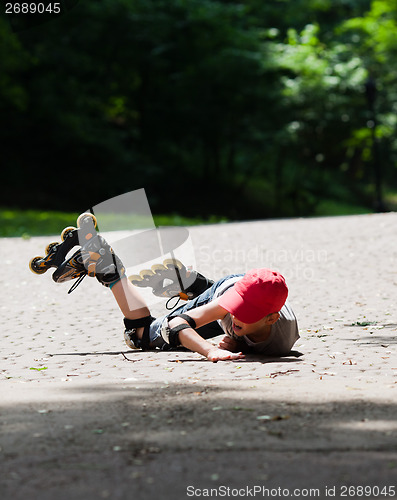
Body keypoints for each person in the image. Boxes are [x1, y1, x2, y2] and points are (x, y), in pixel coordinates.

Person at [48, 230, 300, 362]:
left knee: (219, 313)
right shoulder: (229, 307)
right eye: (236, 307)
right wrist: (209, 350)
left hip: (243, 288)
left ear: (270, 319)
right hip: (232, 287)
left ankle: (198, 287)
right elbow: (176, 325)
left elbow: (251, 337)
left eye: (245, 314)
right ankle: (108, 266)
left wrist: (239, 343)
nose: (235, 314)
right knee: (142, 336)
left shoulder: (281, 342)